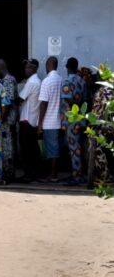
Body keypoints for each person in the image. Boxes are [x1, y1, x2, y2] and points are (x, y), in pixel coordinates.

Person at [60, 57, 86, 185]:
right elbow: (85, 99)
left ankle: (76, 176)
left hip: (71, 119)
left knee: (74, 148)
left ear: (66, 67)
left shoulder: (66, 81)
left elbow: (68, 99)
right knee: (78, 147)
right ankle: (77, 174)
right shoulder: (82, 80)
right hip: (80, 118)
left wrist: (73, 107)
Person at [38, 56, 62, 182]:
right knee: (55, 148)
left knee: (51, 150)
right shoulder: (61, 80)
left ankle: (53, 175)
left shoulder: (47, 81)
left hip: (49, 122)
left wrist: (40, 123)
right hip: (59, 121)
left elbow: (43, 104)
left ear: (48, 65)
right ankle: (52, 173)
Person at [16, 58, 41, 182]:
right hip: (32, 120)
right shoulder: (36, 81)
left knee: (26, 150)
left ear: (35, 68)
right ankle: (34, 173)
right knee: (32, 149)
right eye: (26, 67)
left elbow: (20, 98)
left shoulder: (31, 82)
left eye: (30, 67)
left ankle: (28, 175)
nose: (27, 69)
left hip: (27, 120)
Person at [0, 59, 18, 182]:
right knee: (4, 147)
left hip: (7, 121)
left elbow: (7, 103)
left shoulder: (8, 81)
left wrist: (2, 118)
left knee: (8, 148)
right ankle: (6, 172)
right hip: (4, 119)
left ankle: (9, 175)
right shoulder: (1, 81)